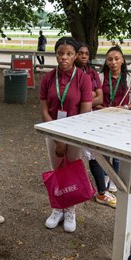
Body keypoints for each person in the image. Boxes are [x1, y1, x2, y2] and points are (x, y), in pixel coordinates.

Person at [40, 37, 93, 232]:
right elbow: (45, 110)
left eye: (69, 54)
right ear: (55, 55)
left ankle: (71, 210)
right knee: (57, 170)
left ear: (75, 56)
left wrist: (65, 140)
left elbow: (84, 113)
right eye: (60, 53)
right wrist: (56, 138)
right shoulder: (47, 78)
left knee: (72, 169)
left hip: (74, 133)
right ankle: (57, 207)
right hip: (52, 131)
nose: (64, 57)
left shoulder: (83, 78)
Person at [95, 45, 131, 194]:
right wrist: (100, 108)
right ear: (106, 62)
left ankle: (115, 179)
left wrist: (126, 108)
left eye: (116, 59)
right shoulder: (100, 77)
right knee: (103, 150)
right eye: (109, 59)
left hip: (122, 120)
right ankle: (104, 176)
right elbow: (94, 98)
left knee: (117, 152)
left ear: (122, 60)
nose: (113, 62)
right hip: (102, 119)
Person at [74, 43, 116, 207]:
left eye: (86, 53)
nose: (84, 56)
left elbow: (99, 98)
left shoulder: (92, 73)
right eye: (80, 53)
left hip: (88, 118)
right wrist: (88, 95)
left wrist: (83, 96)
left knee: (93, 154)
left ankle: (101, 192)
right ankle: (74, 189)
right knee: (73, 156)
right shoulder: (70, 73)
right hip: (71, 118)